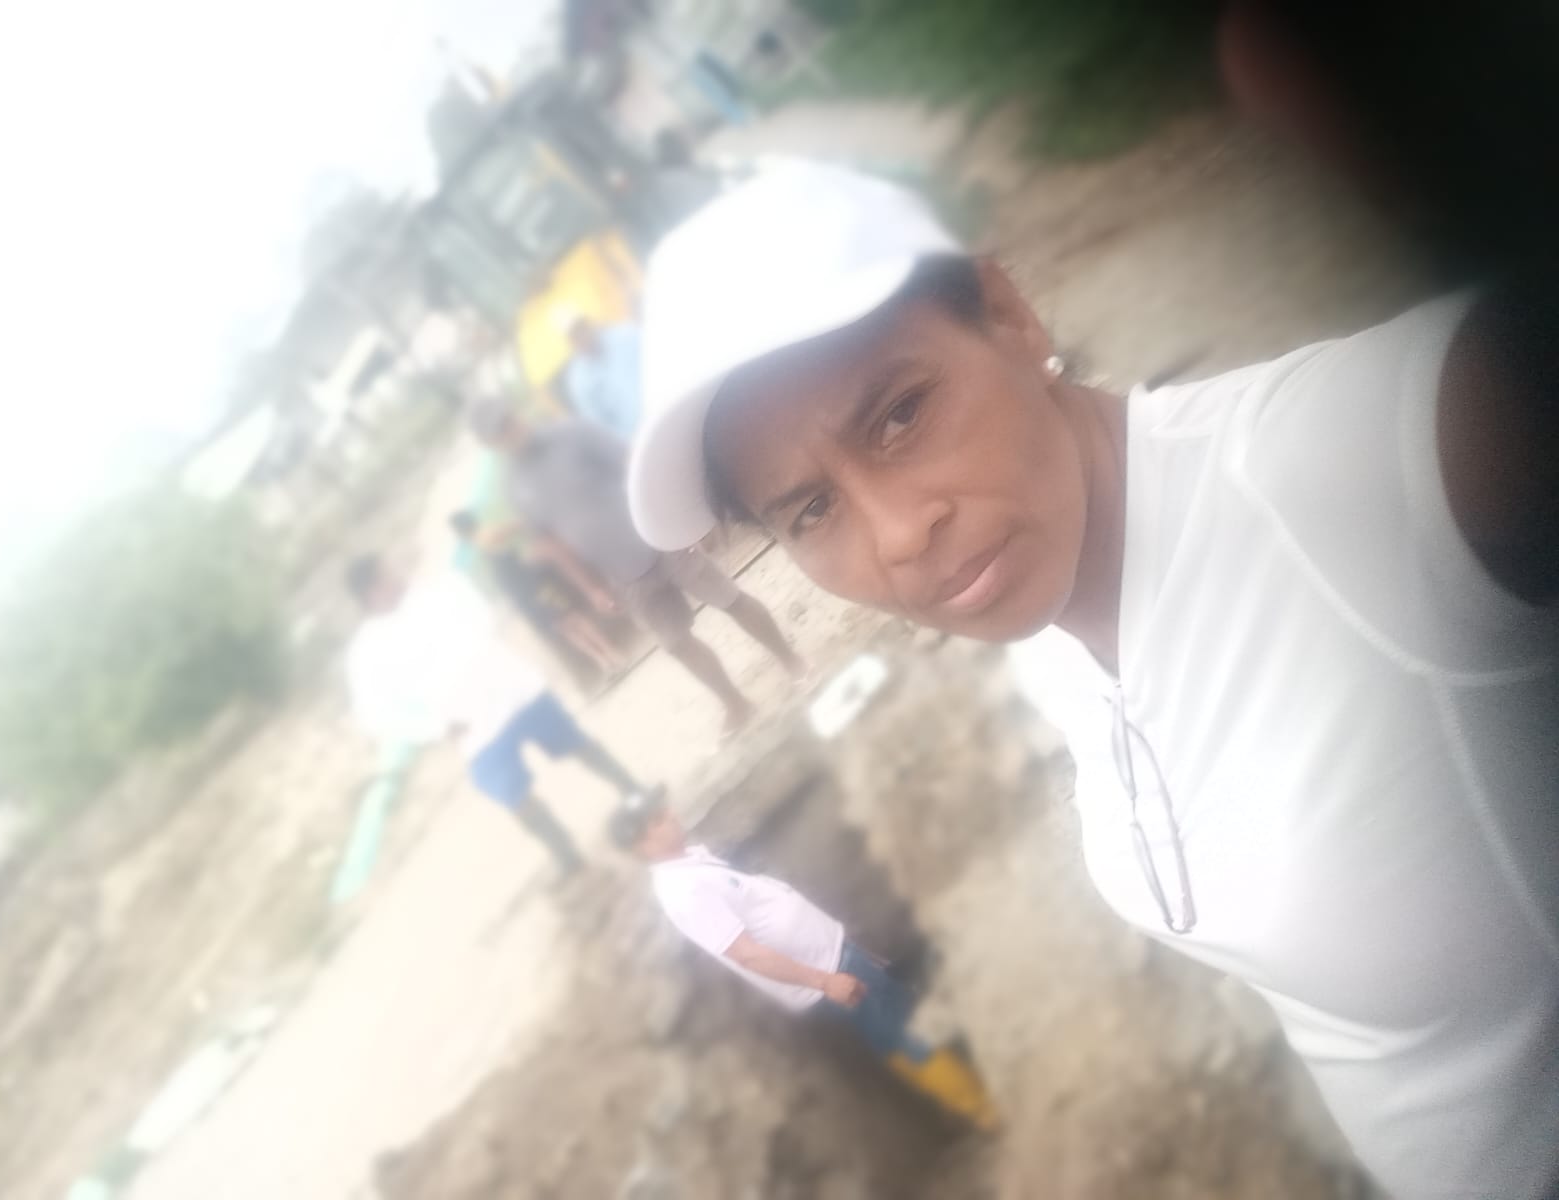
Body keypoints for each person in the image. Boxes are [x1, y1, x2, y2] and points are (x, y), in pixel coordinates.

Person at [626, 163, 1559, 1198]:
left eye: (899, 414)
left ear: (1008, 315)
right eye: (810, 511)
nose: (896, 536)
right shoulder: (1048, 638)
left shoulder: (1354, 469)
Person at [608, 795, 996, 1128]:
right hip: (827, 973)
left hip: (837, 957)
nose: (671, 815)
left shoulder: (690, 862)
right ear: (642, 845)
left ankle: (971, 1090)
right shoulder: (683, 893)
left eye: (663, 810)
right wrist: (826, 981)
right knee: (905, 1037)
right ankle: (981, 1108)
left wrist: (843, 947)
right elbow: (747, 954)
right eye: (658, 820)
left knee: (900, 1024)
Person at [468, 402, 806, 739]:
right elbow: (555, 544)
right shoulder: (517, 489)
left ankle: (793, 662)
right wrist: (592, 589)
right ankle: (736, 703)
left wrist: (679, 519)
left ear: (517, 415)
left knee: (729, 599)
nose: (511, 431)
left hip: (660, 539)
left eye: (509, 420)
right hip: (621, 574)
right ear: (492, 444)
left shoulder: (571, 434)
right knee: (675, 643)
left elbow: (633, 464)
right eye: (500, 432)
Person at [344, 553, 652, 875]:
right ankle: (567, 855)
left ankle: (635, 791)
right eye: (388, 574)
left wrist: (472, 657)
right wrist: (435, 727)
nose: (398, 574)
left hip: (514, 689)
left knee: (577, 744)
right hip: (474, 727)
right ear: (372, 593)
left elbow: (481, 614)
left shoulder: (438, 587)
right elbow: (376, 714)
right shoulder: (367, 652)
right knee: (512, 795)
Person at [449, 509, 626, 681]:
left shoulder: (480, 542)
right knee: (570, 620)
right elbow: (519, 526)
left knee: (566, 625)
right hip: (531, 585)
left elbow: (514, 533)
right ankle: (610, 657)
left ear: (460, 531)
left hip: (525, 592)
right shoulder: (486, 534)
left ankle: (607, 660)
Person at [561, 315, 644, 440]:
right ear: (570, 343)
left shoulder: (626, 335)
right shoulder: (579, 381)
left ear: (589, 325)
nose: (582, 337)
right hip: (636, 434)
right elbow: (599, 423)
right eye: (574, 336)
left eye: (581, 329)